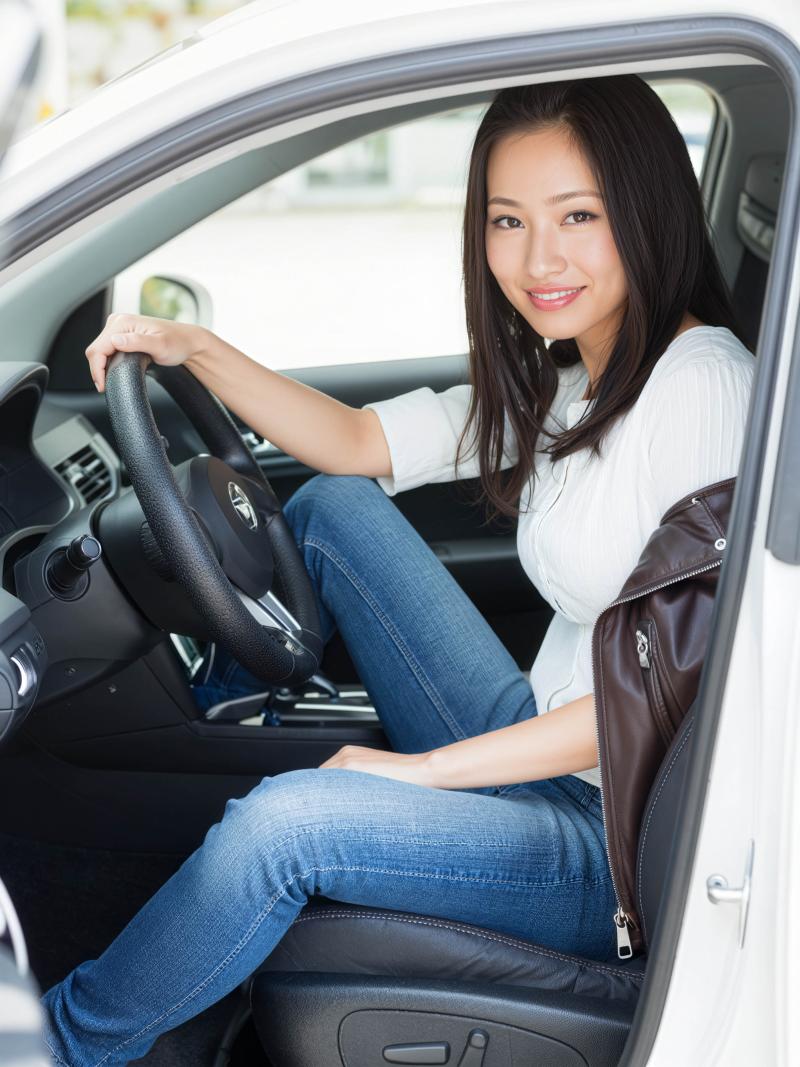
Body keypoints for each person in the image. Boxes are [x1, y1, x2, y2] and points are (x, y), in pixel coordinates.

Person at [42, 75, 754, 1066]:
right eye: (507, 220)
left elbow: (673, 694)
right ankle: (232, 714)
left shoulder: (703, 388)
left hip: (610, 834)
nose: (536, 257)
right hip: (533, 741)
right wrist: (192, 347)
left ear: (646, 210)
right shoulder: (582, 376)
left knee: (281, 826)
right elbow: (355, 441)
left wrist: (415, 773)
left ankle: (61, 1046)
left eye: (577, 216)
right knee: (332, 511)